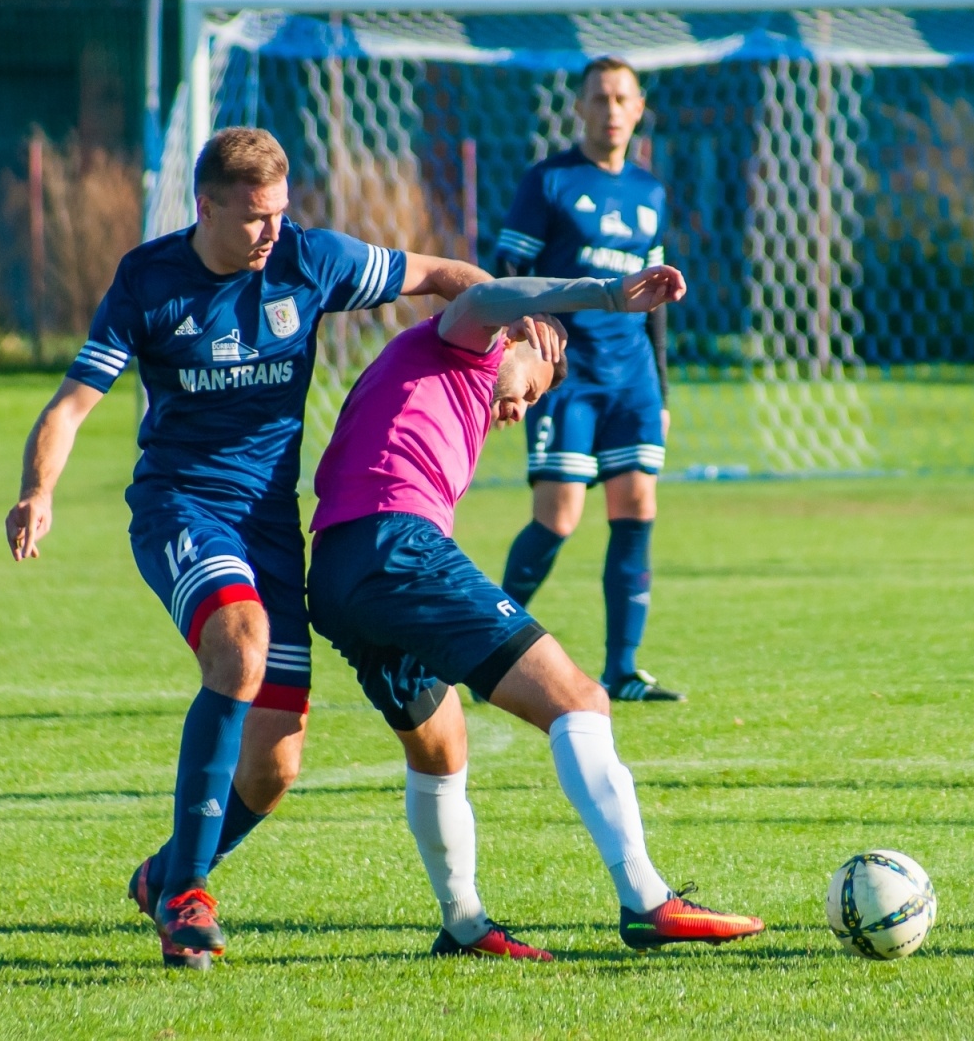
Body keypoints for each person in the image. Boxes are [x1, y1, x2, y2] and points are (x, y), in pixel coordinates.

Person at [5, 127, 488, 968]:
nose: (273, 230)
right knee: (240, 642)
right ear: (207, 206)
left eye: (281, 211)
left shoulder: (309, 259)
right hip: (182, 507)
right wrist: (37, 490)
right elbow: (73, 404)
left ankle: (165, 873)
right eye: (256, 216)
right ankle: (187, 897)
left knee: (274, 767)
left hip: (270, 525)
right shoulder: (149, 280)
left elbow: (444, 276)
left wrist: (516, 320)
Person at [304, 267, 765, 958]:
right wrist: (606, 295)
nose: (521, 411)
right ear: (516, 339)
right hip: (394, 547)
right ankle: (647, 901)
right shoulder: (465, 342)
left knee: (440, 744)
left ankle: (464, 926)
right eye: (530, 391)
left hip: (339, 572)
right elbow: (483, 296)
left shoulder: (443, 382)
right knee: (579, 699)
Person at [495, 56, 683, 702]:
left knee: (637, 507)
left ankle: (623, 671)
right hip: (565, 376)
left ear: (639, 108)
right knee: (558, 518)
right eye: (599, 98)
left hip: (632, 378)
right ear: (579, 107)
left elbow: (657, 298)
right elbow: (505, 273)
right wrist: (519, 353)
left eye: (622, 98)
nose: (611, 110)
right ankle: (482, 644)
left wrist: (662, 390)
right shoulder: (549, 181)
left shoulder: (650, 192)